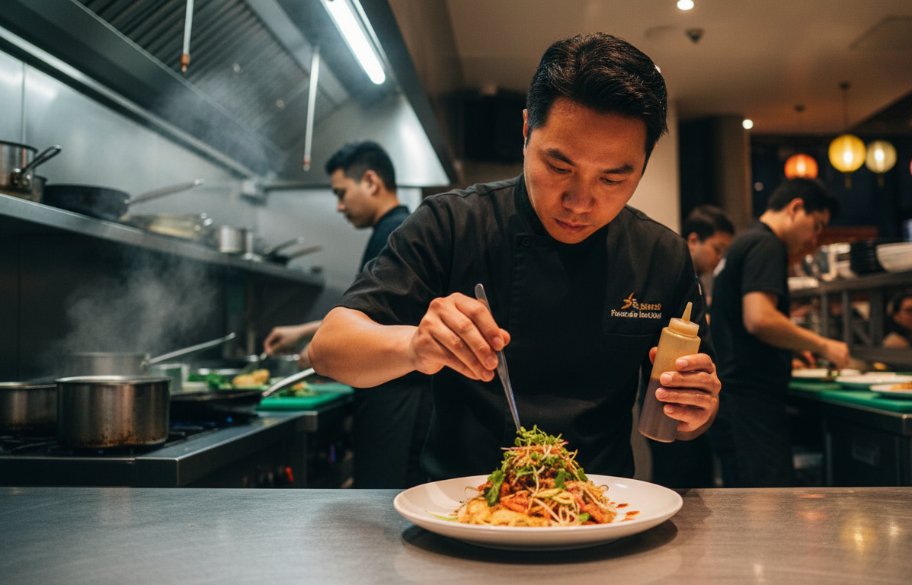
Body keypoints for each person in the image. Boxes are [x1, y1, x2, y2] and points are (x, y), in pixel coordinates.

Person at [308, 32, 721, 482]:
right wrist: (413, 346)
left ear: (643, 164)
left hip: (601, 511)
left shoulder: (661, 255)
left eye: (613, 179)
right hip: (463, 509)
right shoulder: (453, 224)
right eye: (560, 167)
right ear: (526, 131)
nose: (580, 202)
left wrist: (697, 408)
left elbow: (689, 417)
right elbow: (328, 348)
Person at [263, 141, 430, 489]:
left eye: (341, 193)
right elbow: (373, 314)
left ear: (370, 181)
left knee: (385, 507)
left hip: (395, 400)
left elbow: (379, 326)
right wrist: (305, 331)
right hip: (392, 398)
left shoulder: (395, 232)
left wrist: (314, 355)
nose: (339, 206)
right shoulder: (394, 228)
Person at [709, 178, 849, 487]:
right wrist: (825, 345)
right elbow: (759, 318)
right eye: (816, 225)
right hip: (749, 400)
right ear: (796, 208)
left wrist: (793, 348)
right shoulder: (766, 244)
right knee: (765, 502)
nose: (814, 238)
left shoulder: (744, 241)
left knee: (744, 500)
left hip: (732, 396)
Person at [648, 204, 734, 488]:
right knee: (674, 471)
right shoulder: (663, 270)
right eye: (717, 248)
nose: (719, 258)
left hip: (687, 397)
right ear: (694, 239)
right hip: (659, 394)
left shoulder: (695, 286)